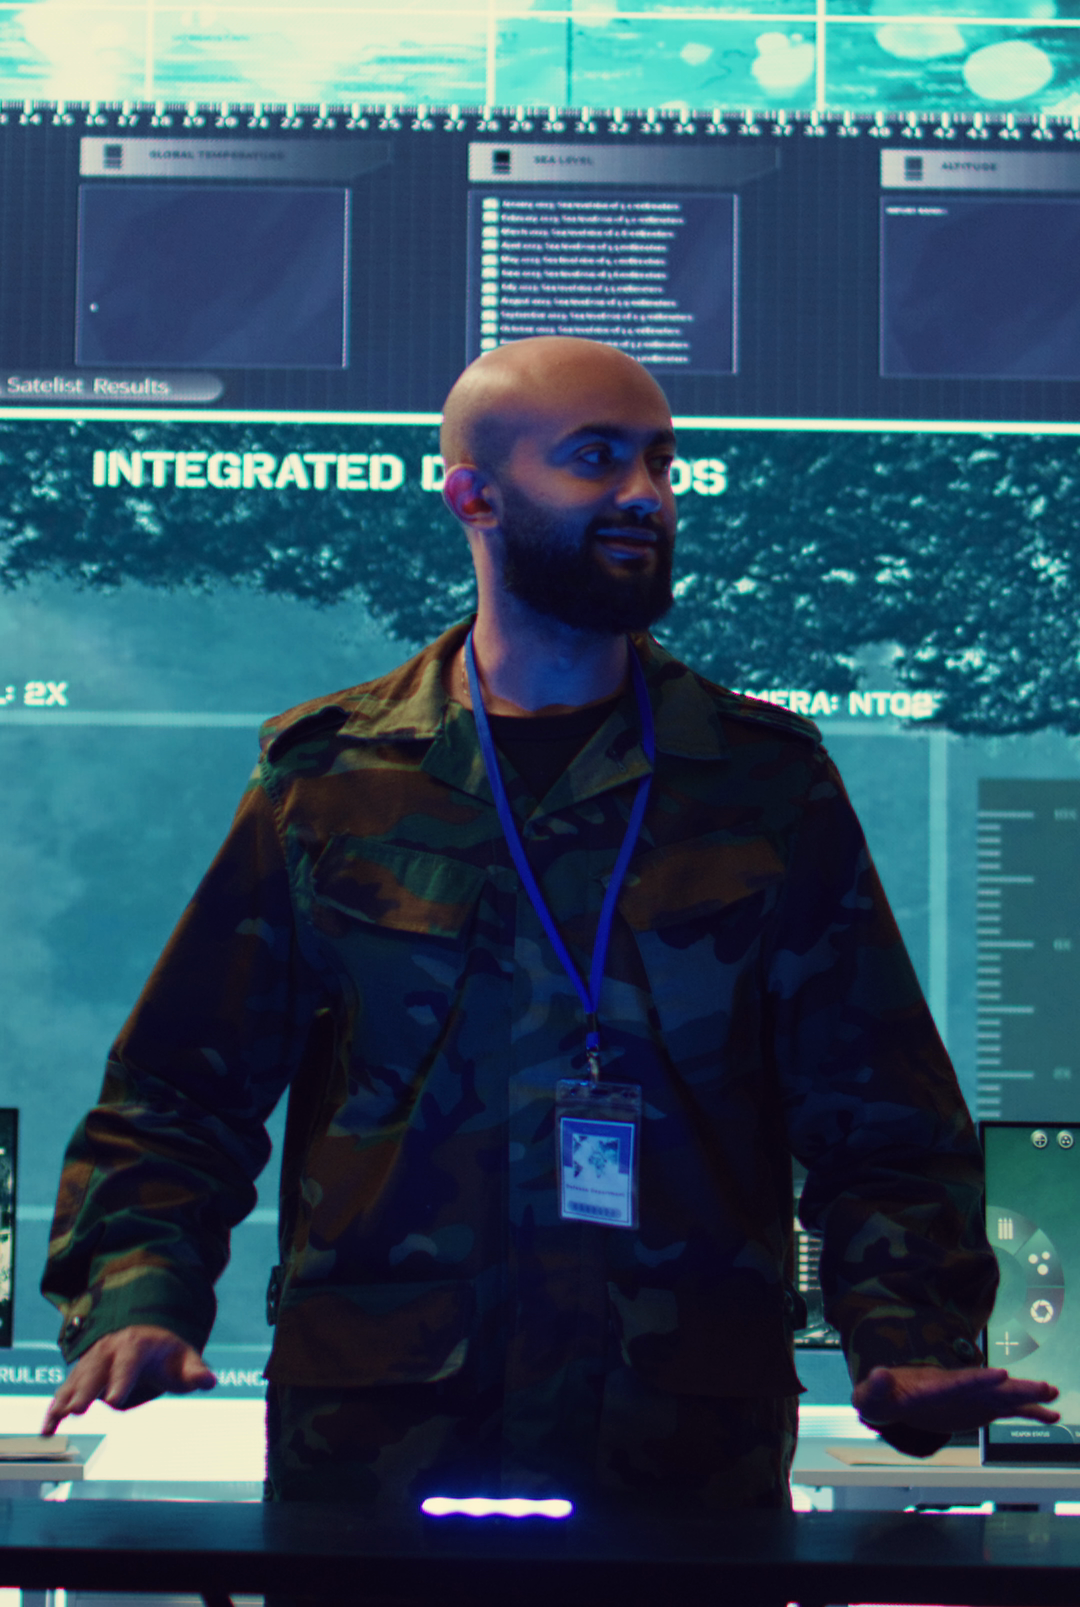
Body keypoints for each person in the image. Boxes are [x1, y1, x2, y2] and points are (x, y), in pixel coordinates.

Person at [41, 337, 1057, 1511]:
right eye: (595, 459)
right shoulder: (332, 781)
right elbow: (177, 1094)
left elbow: (882, 1116)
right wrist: (139, 1301)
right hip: (378, 1453)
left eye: (661, 463)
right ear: (473, 496)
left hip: (681, 1461)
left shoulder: (766, 784)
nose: (646, 495)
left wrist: (909, 1339)